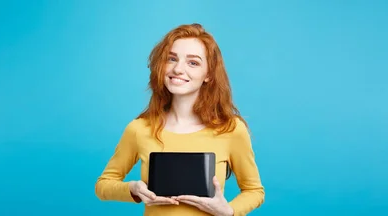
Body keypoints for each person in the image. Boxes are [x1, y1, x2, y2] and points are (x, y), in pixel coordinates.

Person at [95, 23, 264, 216]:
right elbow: (103, 186)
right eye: (172, 59)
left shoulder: (231, 129)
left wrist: (229, 211)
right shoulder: (138, 129)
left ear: (208, 74)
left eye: (193, 62)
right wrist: (133, 189)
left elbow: (254, 191)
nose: (178, 69)